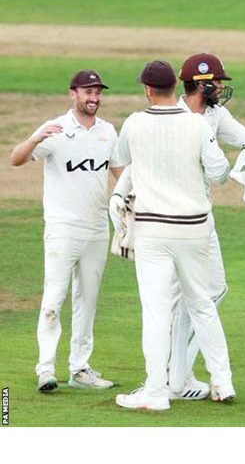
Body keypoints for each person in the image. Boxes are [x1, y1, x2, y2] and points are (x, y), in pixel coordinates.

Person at [110, 53, 245, 401]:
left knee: (177, 303)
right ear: (190, 84)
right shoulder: (194, 124)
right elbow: (217, 174)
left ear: (150, 90)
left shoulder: (145, 121)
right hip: (193, 224)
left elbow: (127, 162)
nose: (221, 88)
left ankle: (163, 386)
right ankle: (199, 380)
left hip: (161, 227)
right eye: (216, 82)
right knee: (195, 303)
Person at [10, 70, 122, 393]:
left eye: (98, 92)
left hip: (97, 229)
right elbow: (16, 158)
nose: (94, 98)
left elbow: (120, 174)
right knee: (53, 299)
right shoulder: (55, 129)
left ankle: (80, 368)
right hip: (63, 229)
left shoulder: (107, 132)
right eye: (88, 92)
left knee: (87, 300)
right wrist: (36, 139)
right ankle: (45, 368)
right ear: (73, 94)